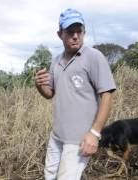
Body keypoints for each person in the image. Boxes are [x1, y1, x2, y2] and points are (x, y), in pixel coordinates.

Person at [35, 8, 116, 179]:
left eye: (79, 31)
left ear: (84, 32)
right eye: (70, 32)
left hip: (79, 140)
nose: (75, 36)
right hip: (56, 136)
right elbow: (50, 93)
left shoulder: (94, 57)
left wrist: (94, 134)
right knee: (49, 176)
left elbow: (107, 96)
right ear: (60, 34)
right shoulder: (56, 61)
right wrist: (40, 85)